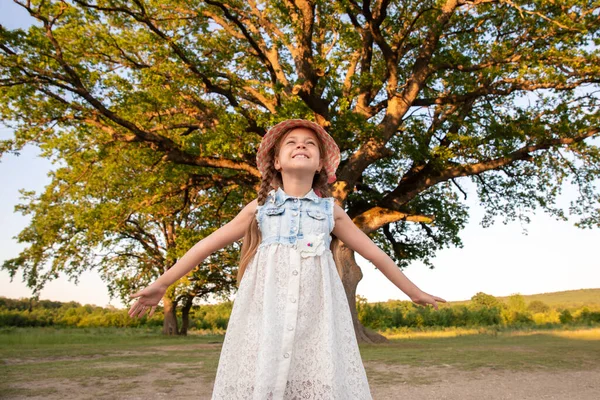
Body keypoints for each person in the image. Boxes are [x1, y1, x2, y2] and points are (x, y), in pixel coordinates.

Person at [128, 119, 446, 399]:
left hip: (317, 313)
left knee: (314, 376)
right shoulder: (259, 208)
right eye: (291, 143)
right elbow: (206, 245)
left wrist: (413, 291)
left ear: (321, 164)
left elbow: (376, 254)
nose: (301, 146)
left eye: (309, 144)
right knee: (264, 378)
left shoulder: (330, 211)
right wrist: (162, 283)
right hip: (267, 311)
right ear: (277, 162)